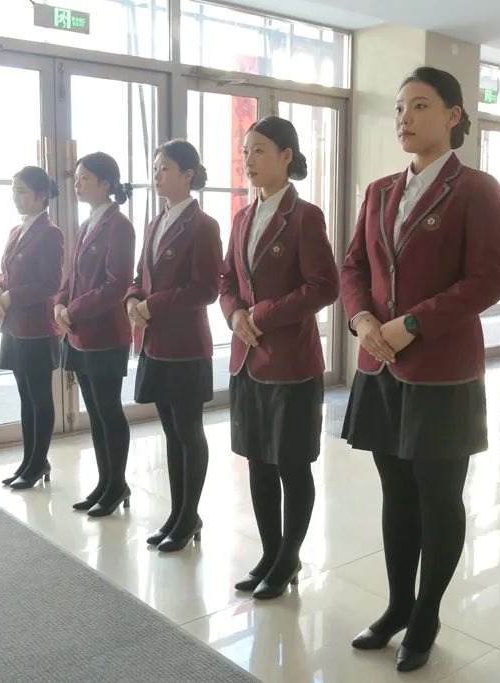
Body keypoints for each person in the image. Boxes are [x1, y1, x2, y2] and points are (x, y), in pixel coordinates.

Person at [340, 66, 500, 672]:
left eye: (418, 106)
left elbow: (491, 278)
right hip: (380, 366)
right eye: (398, 108)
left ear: (453, 115)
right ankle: (397, 606)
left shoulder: (475, 190)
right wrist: (362, 318)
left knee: (439, 497)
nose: (404, 119)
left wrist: (411, 324)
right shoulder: (380, 191)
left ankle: (427, 614)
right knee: (396, 493)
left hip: (441, 369)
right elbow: (353, 266)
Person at [218, 116, 339, 600]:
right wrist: (234, 315)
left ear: (286, 156)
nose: (248, 160)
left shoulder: (305, 217)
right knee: (258, 462)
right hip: (246, 358)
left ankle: (290, 557)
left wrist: (262, 315)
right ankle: (270, 554)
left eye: (259, 150)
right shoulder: (241, 219)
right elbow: (226, 280)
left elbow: (324, 286)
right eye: (246, 151)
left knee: (291, 465)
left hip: (290, 363)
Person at [126, 139, 222, 553]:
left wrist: (151, 305)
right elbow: (140, 277)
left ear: (188, 175)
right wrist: (132, 299)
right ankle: (179, 512)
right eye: (155, 167)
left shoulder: (203, 226)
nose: (157, 174)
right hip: (155, 343)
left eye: (165, 168)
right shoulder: (155, 222)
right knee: (170, 431)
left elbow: (206, 289)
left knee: (188, 431)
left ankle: (189, 515)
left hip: (185, 346)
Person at [55, 152, 135, 517]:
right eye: (76, 177)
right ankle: (106, 482)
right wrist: (59, 303)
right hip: (79, 333)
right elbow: (72, 276)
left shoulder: (119, 226)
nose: (77, 183)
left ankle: (117, 484)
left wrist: (72, 310)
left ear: (105, 183)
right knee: (96, 413)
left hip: (105, 334)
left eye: (84, 178)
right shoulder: (87, 223)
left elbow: (116, 285)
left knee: (108, 411)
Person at [0, 166, 65, 490]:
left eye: (21, 191)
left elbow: (51, 284)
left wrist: (12, 296)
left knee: (39, 396)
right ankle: (29, 460)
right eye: (14, 191)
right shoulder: (16, 230)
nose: (15, 197)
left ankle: (38, 462)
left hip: (37, 327)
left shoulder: (51, 233)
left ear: (40, 196)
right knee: (25, 397)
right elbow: (5, 273)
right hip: (14, 324)